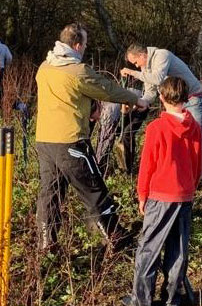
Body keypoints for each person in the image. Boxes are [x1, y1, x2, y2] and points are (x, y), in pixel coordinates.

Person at [35, 23, 148, 251]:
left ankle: (47, 244)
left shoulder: (45, 67)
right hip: (71, 141)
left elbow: (69, 96)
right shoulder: (78, 71)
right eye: (85, 45)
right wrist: (136, 100)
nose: (85, 49)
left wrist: (88, 107)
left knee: (50, 193)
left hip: (45, 141)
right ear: (77, 45)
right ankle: (117, 238)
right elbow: (107, 89)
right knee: (94, 189)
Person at [121, 76, 202, 306]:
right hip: (185, 194)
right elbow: (197, 163)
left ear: (162, 98)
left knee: (149, 247)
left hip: (161, 195)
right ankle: (172, 298)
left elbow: (147, 165)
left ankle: (142, 299)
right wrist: (191, 186)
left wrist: (142, 194)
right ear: (186, 97)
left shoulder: (156, 128)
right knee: (178, 248)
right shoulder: (194, 127)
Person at [120, 44, 202, 185]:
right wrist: (140, 102)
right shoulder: (146, 68)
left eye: (136, 63)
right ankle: (187, 178)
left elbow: (158, 78)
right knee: (179, 142)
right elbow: (150, 92)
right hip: (175, 103)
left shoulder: (161, 55)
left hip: (193, 98)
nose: (137, 66)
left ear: (142, 55)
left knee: (198, 140)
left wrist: (133, 73)